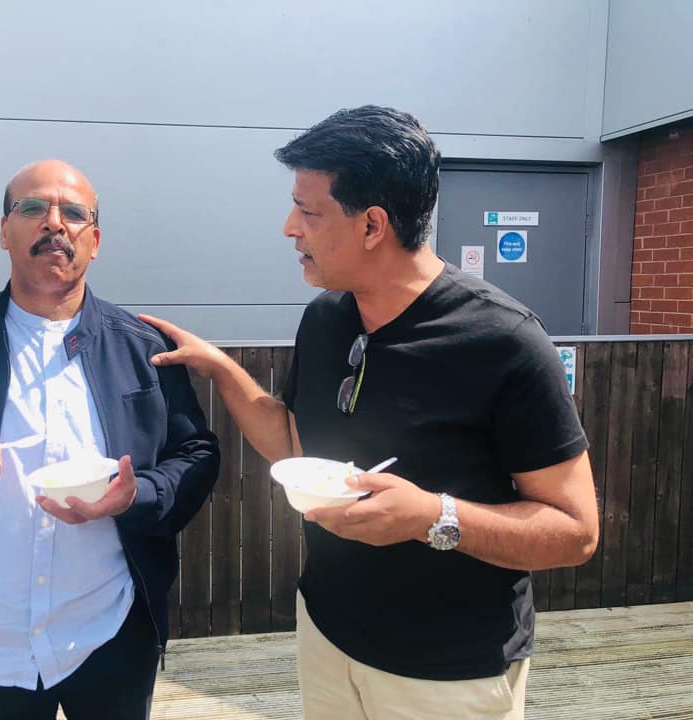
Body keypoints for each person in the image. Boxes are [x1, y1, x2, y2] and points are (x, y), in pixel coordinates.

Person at [141, 105, 599, 720]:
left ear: (372, 225)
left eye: (307, 212)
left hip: (448, 671)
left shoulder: (504, 340)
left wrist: (432, 517)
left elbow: (576, 531)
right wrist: (221, 369)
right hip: (327, 631)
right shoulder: (327, 317)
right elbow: (295, 445)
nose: (289, 229)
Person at [0, 159, 219, 720]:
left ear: (94, 241)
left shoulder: (143, 349)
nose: (54, 223)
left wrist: (138, 495)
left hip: (111, 631)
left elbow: (196, 454)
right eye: (32, 207)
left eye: (74, 213)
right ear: (4, 231)